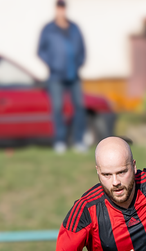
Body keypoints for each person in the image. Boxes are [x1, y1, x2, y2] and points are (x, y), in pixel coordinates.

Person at [38, 0, 87, 154]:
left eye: (63, 8)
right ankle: (60, 141)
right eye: (59, 8)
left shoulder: (74, 28)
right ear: (56, 9)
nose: (61, 11)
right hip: (56, 76)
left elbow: (82, 49)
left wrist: (79, 63)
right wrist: (53, 64)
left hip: (74, 74)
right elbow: (40, 50)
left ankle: (78, 140)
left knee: (79, 107)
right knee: (58, 108)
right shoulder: (48, 29)